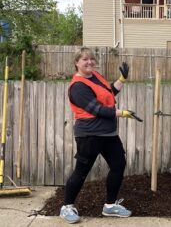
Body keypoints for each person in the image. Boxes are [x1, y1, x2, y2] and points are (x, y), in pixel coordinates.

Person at [60, 47, 141, 224]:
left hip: (108, 134)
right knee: (82, 171)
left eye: (91, 59)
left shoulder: (96, 77)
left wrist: (122, 79)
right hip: (89, 135)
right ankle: (67, 206)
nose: (89, 62)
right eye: (84, 59)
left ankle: (110, 205)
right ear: (76, 63)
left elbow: (109, 94)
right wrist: (122, 113)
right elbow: (96, 109)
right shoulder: (77, 86)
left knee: (119, 164)